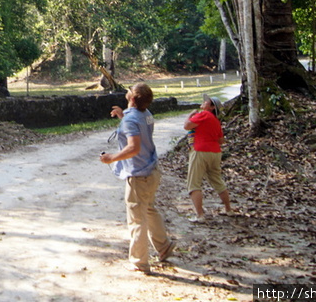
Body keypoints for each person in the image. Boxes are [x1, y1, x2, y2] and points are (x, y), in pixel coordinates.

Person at [99, 83, 175, 274]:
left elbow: (134, 147)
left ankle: (139, 262)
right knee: (149, 209)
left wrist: (111, 158)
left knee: (136, 219)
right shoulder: (146, 114)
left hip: (138, 175)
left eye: (130, 90)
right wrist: (123, 116)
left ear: (132, 98)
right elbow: (136, 124)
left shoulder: (131, 120)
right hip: (152, 171)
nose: (127, 90)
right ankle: (164, 246)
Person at [184, 94, 233, 222]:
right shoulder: (216, 121)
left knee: (194, 183)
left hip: (200, 151)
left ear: (211, 107)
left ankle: (200, 215)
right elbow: (221, 140)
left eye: (207, 101)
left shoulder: (204, 114)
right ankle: (229, 209)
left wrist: (191, 114)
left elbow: (187, 126)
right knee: (217, 180)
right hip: (215, 152)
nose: (204, 102)